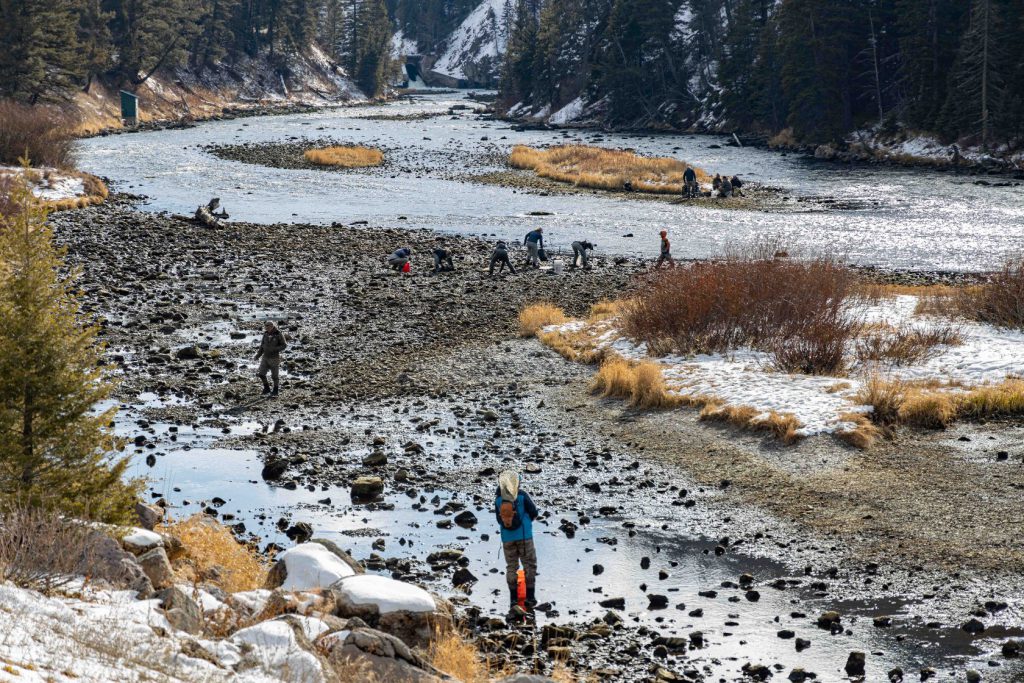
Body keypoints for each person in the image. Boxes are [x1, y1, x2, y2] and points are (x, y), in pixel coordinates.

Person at [495, 470, 539, 614]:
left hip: (507, 539)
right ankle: (530, 598)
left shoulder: (498, 500)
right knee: (529, 565)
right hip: (524, 536)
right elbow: (534, 512)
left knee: (511, 567)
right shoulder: (522, 495)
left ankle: (513, 599)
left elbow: (498, 520)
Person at [255, 321, 287, 396]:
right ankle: (266, 388)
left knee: (275, 376)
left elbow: (284, 345)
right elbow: (262, 346)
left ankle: (275, 391)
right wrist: (257, 356)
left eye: (268, 326)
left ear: (272, 326)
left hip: (274, 358)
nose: (267, 327)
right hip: (265, 357)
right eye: (265, 326)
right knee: (261, 374)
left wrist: (275, 349)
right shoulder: (265, 334)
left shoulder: (278, 334)